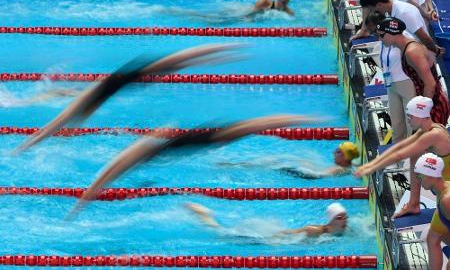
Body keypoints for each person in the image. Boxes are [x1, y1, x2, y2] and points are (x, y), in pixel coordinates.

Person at [68, 114, 320, 219]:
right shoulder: (140, 151)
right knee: (242, 129)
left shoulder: (132, 156)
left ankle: (297, 118)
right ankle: (297, 118)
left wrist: (81, 204)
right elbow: (105, 177)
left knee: (243, 129)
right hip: (183, 145)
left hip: (185, 144)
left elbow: (105, 178)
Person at [14, 43, 244, 154]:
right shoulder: (84, 106)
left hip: (116, 82)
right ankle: (220, 49)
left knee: (176, 61)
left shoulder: (82, 105)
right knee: (177, 62)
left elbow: (48, 129)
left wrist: (20, 150)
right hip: (116, 83)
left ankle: (224, 46)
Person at [355, 96, 450, 218]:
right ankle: (414, 204)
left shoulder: (433, 135)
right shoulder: (428, 129)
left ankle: (414, 204)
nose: (408, 120)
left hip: (446, 186)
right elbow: (400, 146)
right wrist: (370, 164)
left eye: (411, 116)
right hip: (443, 179)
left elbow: (400, 155)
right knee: (415, 155)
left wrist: (371, 169)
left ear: (420, 116)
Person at [375, 17, 449, 125]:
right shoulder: (405, 49)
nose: (379, 39)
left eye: (381, 35)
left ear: (392, 33)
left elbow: (431, 85)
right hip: (427, 104)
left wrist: (420, 111)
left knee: (426, 140)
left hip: (433, 106)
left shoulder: (412, 52)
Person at [365, 12, 416, 142]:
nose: (377, 36)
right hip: (391, 85)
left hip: (407, 83)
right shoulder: (384, 40)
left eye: (377, 33)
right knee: (396, 123)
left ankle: (411, 154)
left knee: (411, 122)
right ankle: (397, 153)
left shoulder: (405, 40)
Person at [357, 0, 445, 56]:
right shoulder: (390, 10)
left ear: (379, 4)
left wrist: (435, 50)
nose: (372, 12)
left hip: (418, 55)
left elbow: (424, 37)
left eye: (371, 9)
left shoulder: (404, 13)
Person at [186, 202, 348, 237]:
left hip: (276, 238)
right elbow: (289, 234)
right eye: (340, 218)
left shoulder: (339, 231)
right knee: (222, 234)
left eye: (345, 217)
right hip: (271, 239)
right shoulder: (315, 230)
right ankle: (204, 214)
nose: (344, 221)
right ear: (332, 220)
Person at [218, 141, 360, 179]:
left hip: (306, 176)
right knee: (279, 160)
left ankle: (237, 165)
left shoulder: (339, 169)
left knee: (270, 165)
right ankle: (237, 165)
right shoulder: (346, 167)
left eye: (338, 151)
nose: (334, 152)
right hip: (308, 172)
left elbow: (319, 175)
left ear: (346, 157)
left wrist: (299, 167)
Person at [413, 153, 450, 270]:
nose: (418, 181)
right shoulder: (442, 193)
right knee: (432, 238)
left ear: (430, 175)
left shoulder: (447, 200)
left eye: (419, 177)